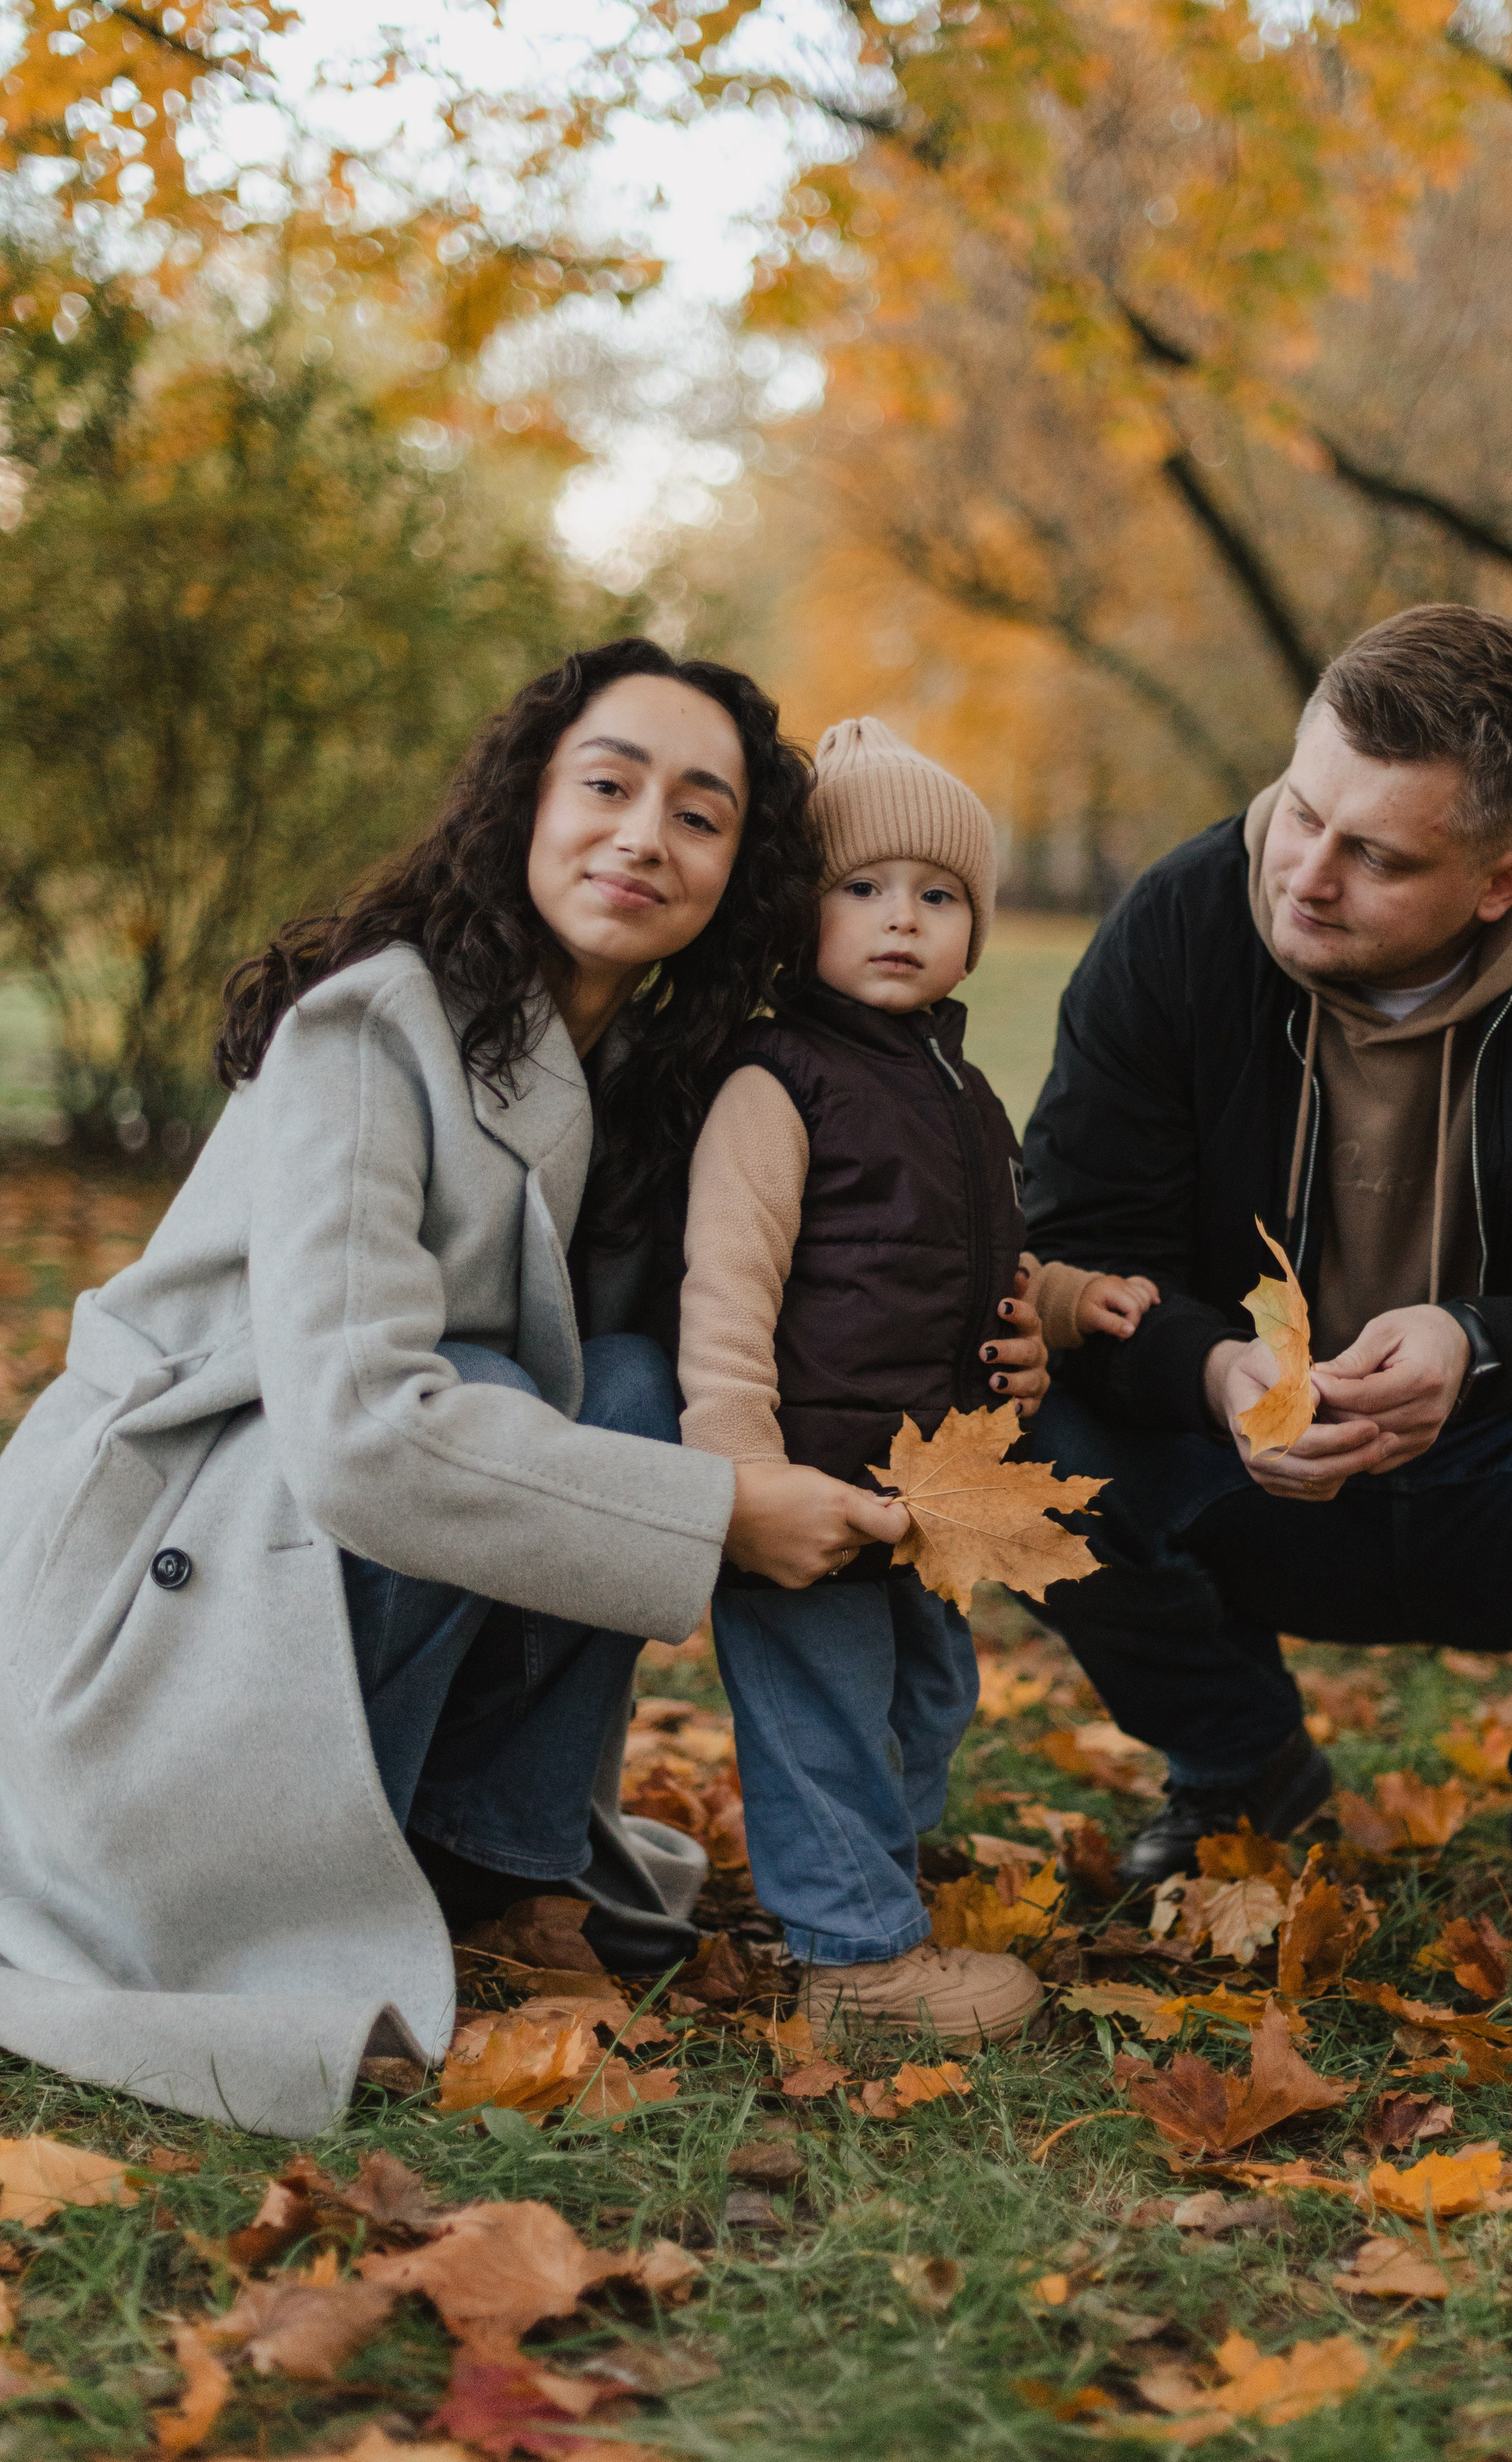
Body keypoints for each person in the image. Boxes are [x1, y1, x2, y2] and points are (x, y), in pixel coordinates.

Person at [0, 641, 1048, 2137]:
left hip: (313, 1564)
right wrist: (720, 1513)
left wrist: (1003, 1330)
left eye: (699, 813)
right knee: (543, 1393)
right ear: (523, 806)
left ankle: (495, 1870)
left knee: (619, 1381)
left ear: (740, 871)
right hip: (169, 1594)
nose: (642, 835)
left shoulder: (657, 1066)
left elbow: (766, 1301)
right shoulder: (371, 1030)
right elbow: (364, 1434)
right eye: (607, 785)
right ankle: (424, 1859)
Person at [1021, 604, 1512, 1953]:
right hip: (1234, 1463)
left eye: (1375, 855)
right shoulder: (1182, 922)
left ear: (1501, 879)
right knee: (1019, 1422)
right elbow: (1077, 1242)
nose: (1304, 874)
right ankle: (1237, 1769)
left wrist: (1481, 1347)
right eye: (1302, 808)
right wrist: (1211, 1369)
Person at [675, 717, 1156, 2042]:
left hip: (927, 1491)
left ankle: (867, 1876)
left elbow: (981, 1243)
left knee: (931, 1690)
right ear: (797, 915)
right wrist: (740, 1461)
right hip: (810, 1486)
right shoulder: (779, 1086)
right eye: (863, 889)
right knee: (825, 1707)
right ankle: (856, 1963)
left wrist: (1064, 1298)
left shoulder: (961, 1085)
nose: (904, 920)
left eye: (938, 896)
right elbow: (728, 1285)